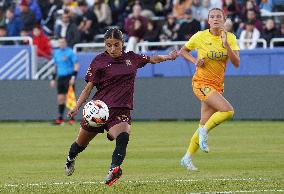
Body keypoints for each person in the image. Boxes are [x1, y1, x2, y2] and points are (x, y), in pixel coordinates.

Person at [64, 28, 178, 186]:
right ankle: (70, 158)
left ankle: (114, 169)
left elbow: (153, 59)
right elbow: (89, 88)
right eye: (108, 45)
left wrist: (169, 56)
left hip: (121, 110)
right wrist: (77, 107)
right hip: (98, 110)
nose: (112, 49)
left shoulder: (132, 58)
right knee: (80, 144)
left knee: (123, 136)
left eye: (116, 45)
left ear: (122, 44)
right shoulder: (99, 61)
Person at [179, 8, 240, 171]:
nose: (215, 19)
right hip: (201, 83)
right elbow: (182, 51)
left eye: (218, 16)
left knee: (203, 123)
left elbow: (236, 63)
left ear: (224, 20)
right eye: (212, 17)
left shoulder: (230, 38)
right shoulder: (200, 36)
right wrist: (194, 61)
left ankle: (187, 157)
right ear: (208, 20)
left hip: (217, 85)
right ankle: (205, 133)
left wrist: (227, 46)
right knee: (228, 111)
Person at [50, 38, 79, 125]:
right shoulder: (56, 53)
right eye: (60, 42)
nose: (61, 44)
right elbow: (55, 66)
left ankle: (72, 118)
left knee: (70, 98)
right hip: (60, 77)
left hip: (69, 77)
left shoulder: (70, 52)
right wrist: (53, 78)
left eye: (62, 42)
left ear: (66, 43)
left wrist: (73, 77)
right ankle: (60, 119)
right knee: (60, 98)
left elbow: (76, 65)